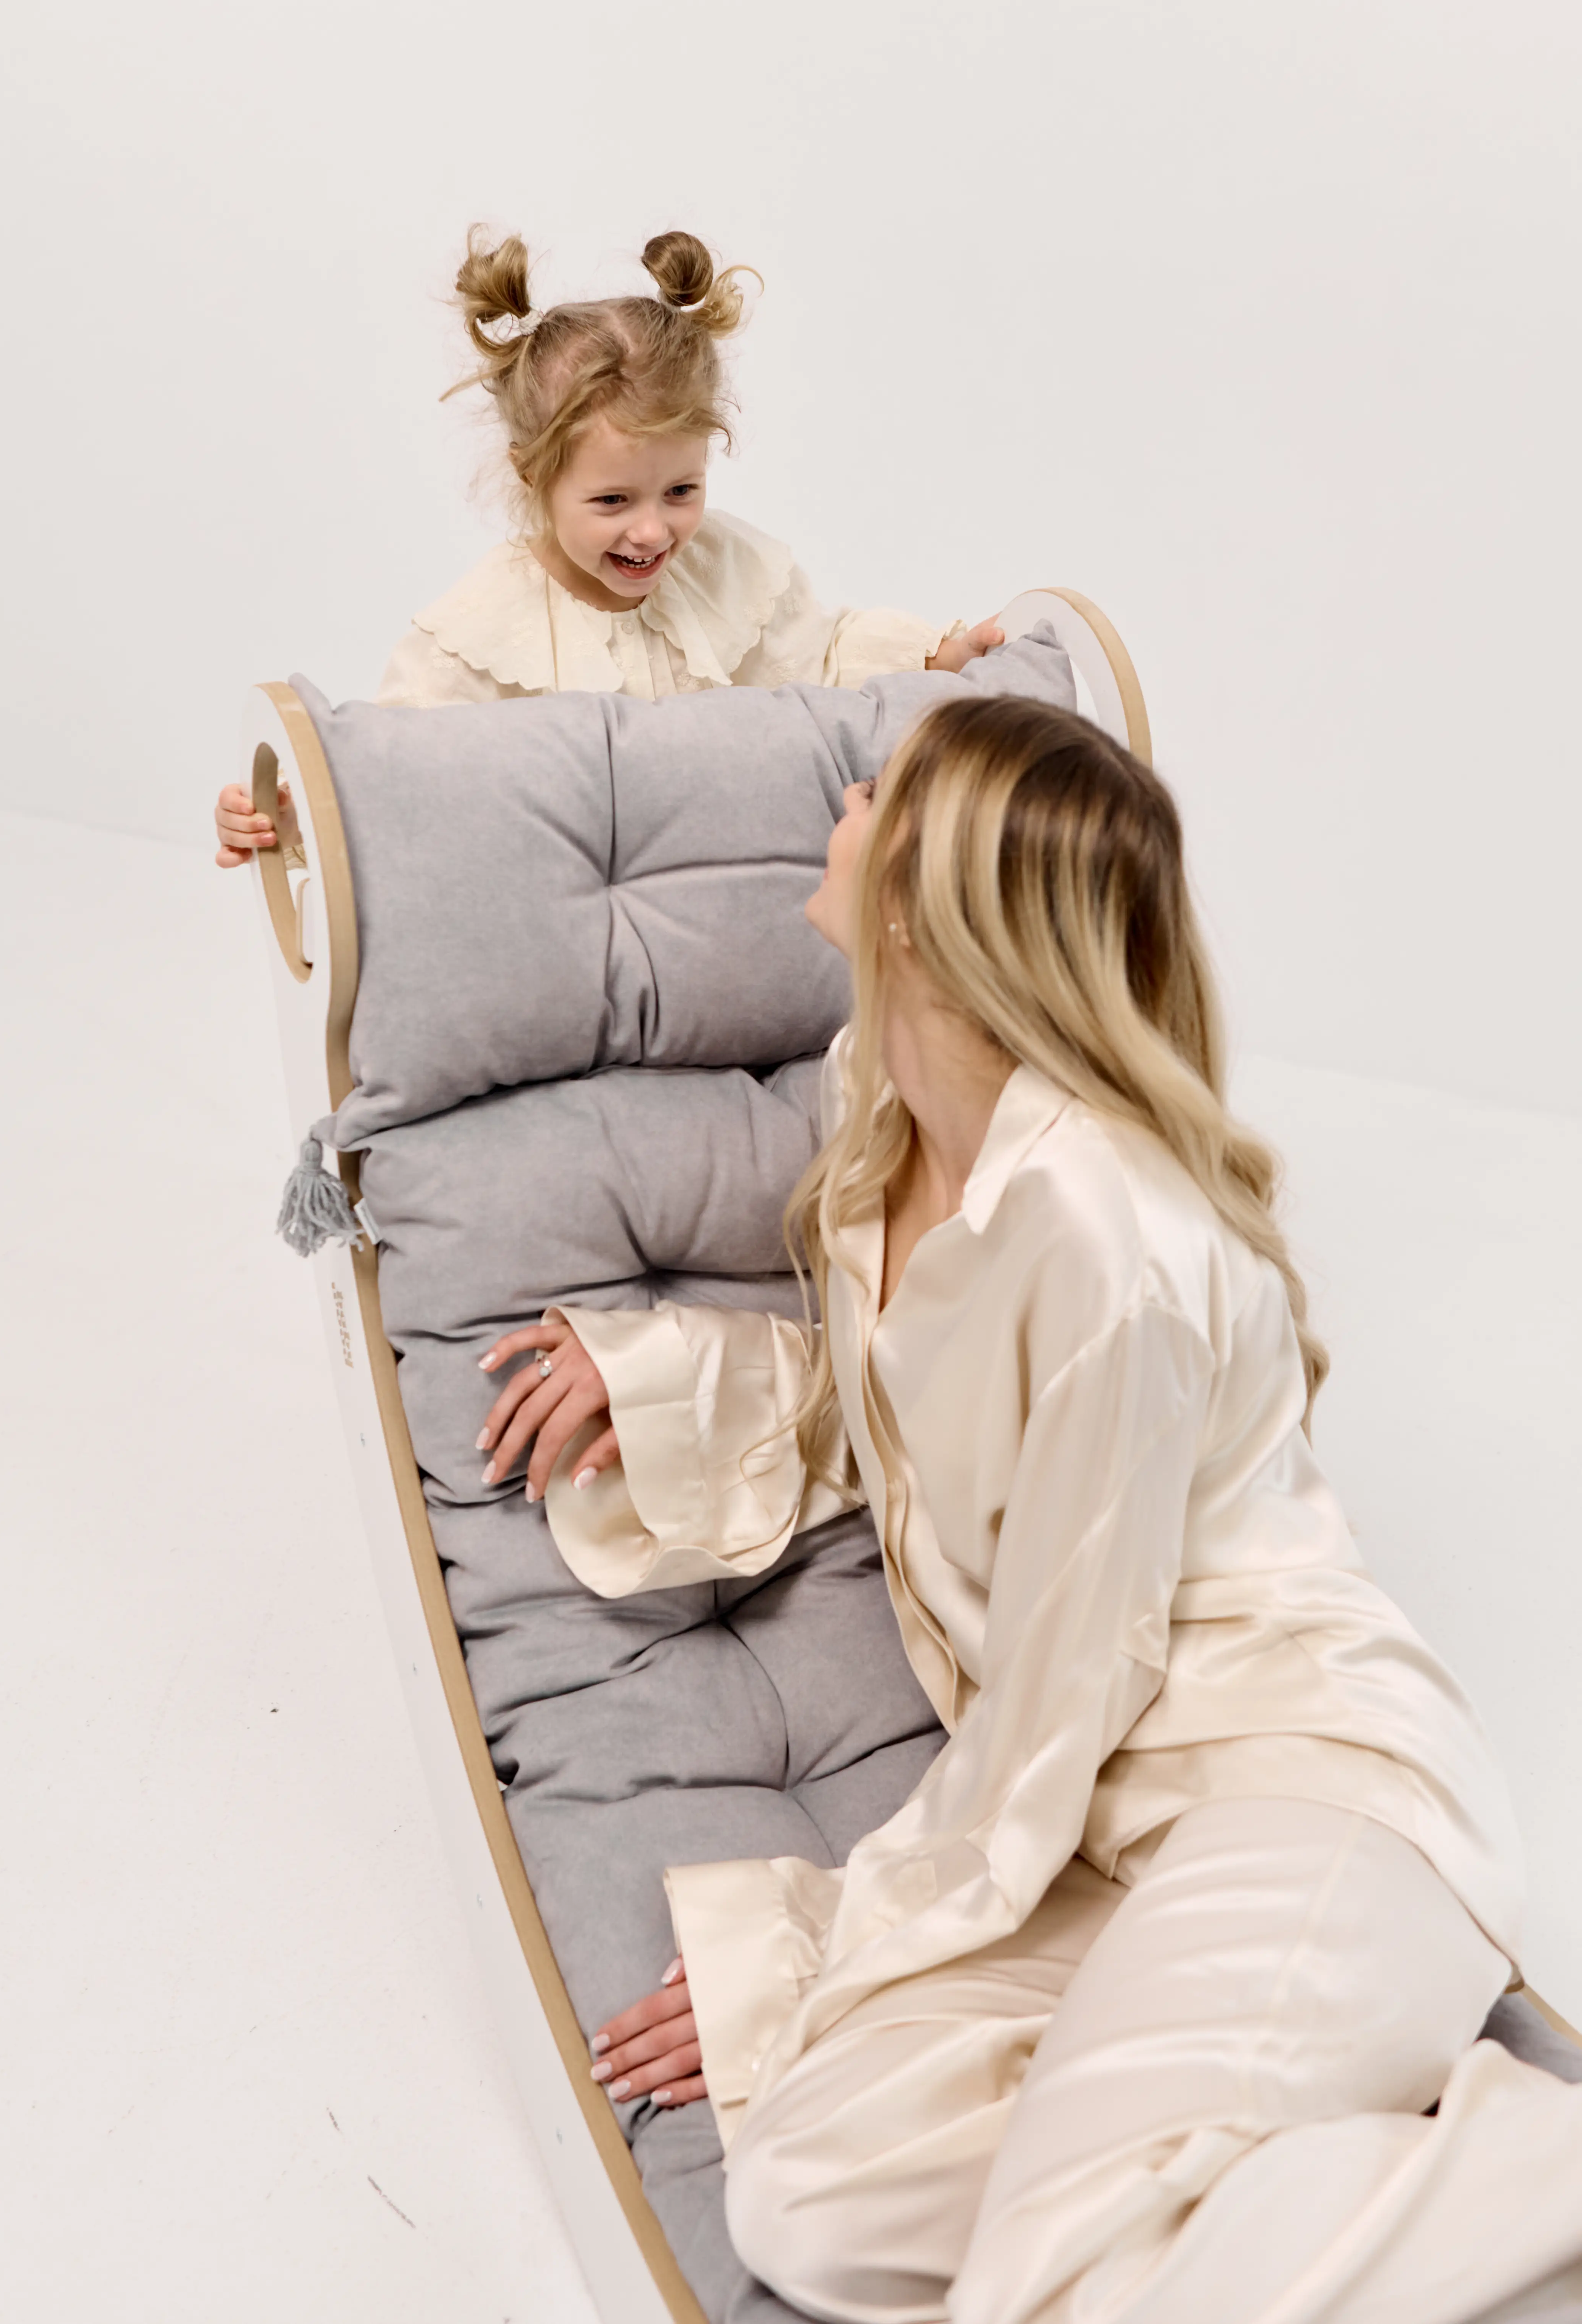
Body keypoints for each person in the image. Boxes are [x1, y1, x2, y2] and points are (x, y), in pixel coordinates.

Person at [476, 696, 1582, 2324]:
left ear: (927, 903)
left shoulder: (1112, 1243)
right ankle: (1277, 2158)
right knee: (808, 2197)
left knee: (1057, 2279)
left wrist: (816, 1949)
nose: (853, 794)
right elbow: (908, 1400)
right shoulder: (890, 1114)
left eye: (891, 788)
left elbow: (1067, 1685)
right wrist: (648, 1372)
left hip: (1305, 1799)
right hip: (1107, 1845)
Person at [214, 228, 1003, 866]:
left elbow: (821, 662)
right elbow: (406, 775)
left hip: (732, 882)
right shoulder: (484, 635)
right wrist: (295, 819)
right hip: (570, 919)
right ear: (534, 476)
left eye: (681, 491)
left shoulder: (723, 569)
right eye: (613, 502)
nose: (654, 531)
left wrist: (937, 660)